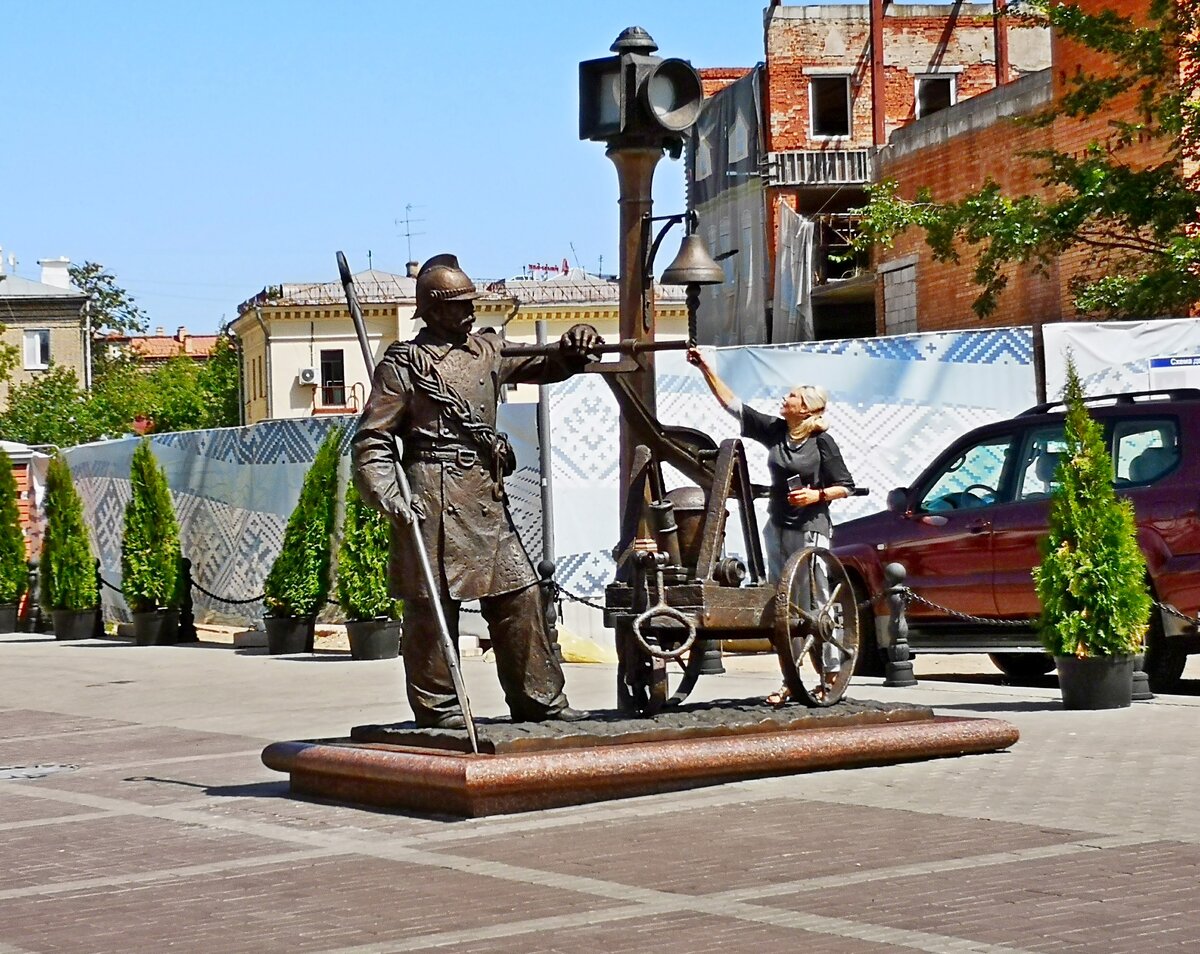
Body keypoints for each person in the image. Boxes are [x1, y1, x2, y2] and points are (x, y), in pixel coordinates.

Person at [352, 253, 602, 729]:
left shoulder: (487, 350)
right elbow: (372, 441)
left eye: (472, 302)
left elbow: (549, 363)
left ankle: (539, 701)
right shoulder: (404, 365)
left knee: (521, 597)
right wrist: (391, 495)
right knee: (432, 611)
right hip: (433, 495)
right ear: (433, 308)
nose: (470, 311)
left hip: (485, 497)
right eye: (460, 304)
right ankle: (440, 709)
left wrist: (575, 343)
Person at [687, 348, 855, 703]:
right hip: (777, 524)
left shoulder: (821, 442)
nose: (785, 398)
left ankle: (830, 671)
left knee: (816, 598)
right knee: (784, 603)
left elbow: (846, 485)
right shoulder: (778, 432)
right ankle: (790, 679)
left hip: (811, 527)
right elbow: (734, 406)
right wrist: (706, 369)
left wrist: (817, 495)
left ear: (806, 408)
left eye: (792, 396)